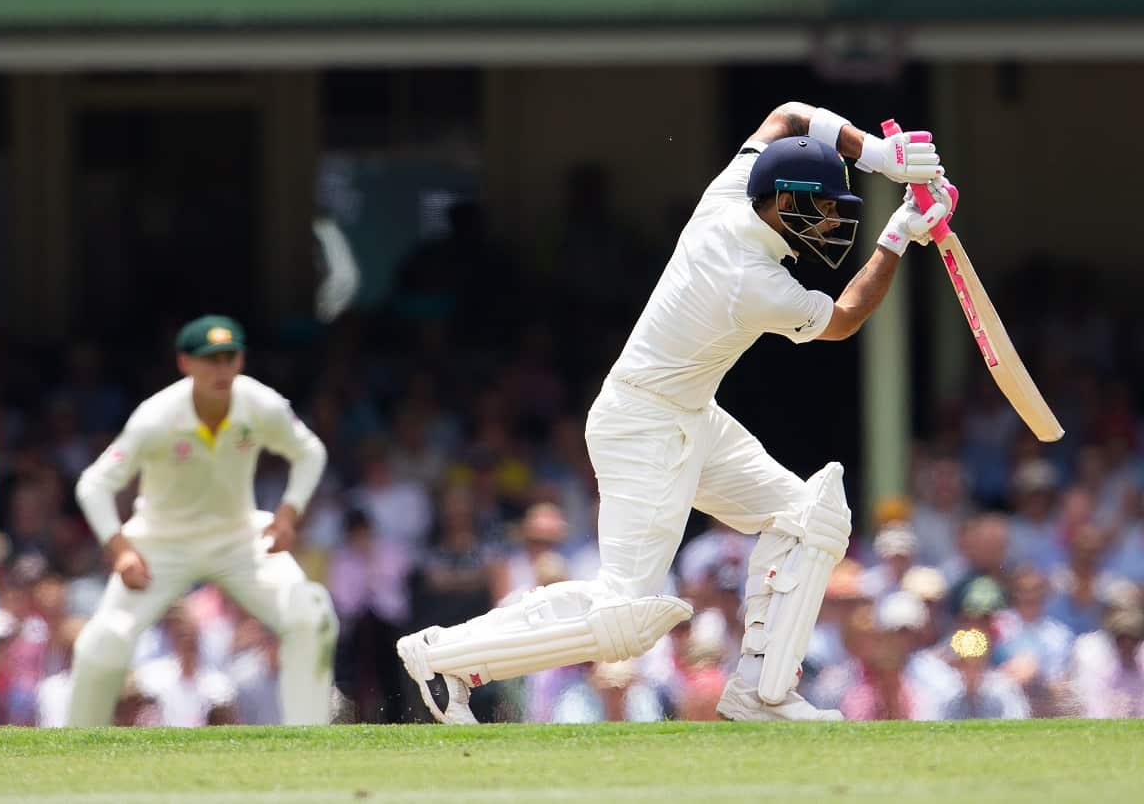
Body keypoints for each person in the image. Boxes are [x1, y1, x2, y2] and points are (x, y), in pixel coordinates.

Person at [397, 102, 948, 723]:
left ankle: (762, 694)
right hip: (644, 424)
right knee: (626, 620)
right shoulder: (749, 279)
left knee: (809, 519)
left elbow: (788, 115)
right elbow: (844, 320)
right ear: (782, 200)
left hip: (688, 414)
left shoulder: (732, 190)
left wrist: (874, 156)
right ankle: (444, 656)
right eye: (819, 206)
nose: (828, 222)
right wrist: (898, 234)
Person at [66, 315, 338, 726]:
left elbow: (310, 452)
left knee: (311, 615)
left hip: (240, 539)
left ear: (241, 360)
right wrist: (121, 551)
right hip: (161, 545)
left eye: (229, 358)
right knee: (105, 642)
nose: (221, 369)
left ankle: (310, 740)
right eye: (209, 360)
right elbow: (94, 484)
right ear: (185, 364)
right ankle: (74, 749)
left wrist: (288, 514)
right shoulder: (156, 416)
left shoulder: (260, 404)